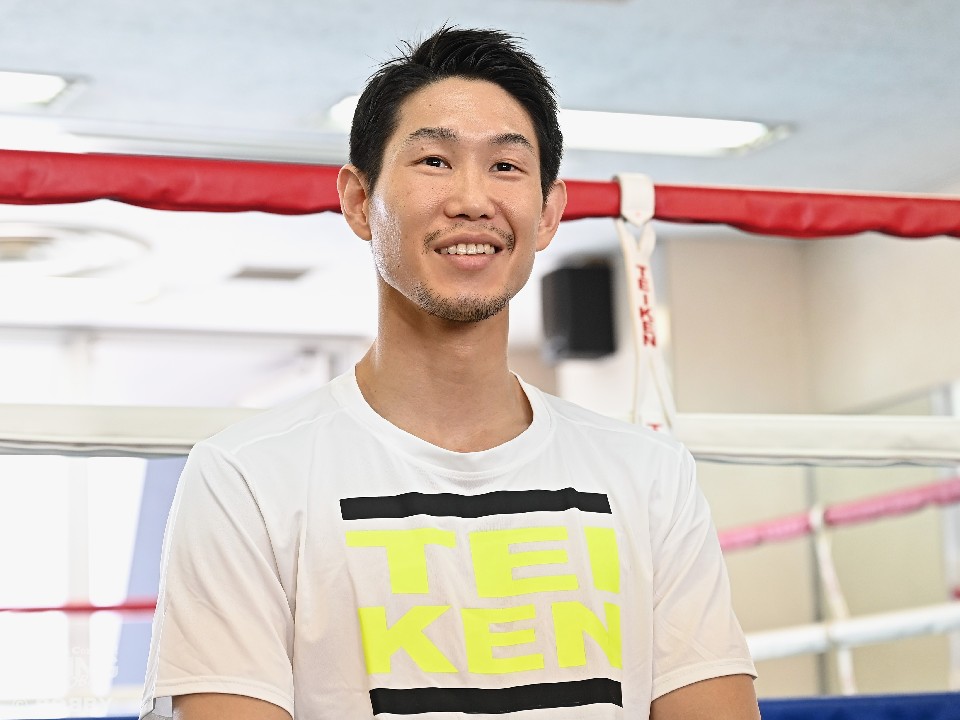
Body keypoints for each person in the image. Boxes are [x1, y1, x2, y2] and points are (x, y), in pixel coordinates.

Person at [141, 26, 759, 720]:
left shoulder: (650, 477)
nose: (472, 199)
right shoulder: (247, 479)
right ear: (358, 201)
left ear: (549, 212)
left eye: (506, 166)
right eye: (434, 160)